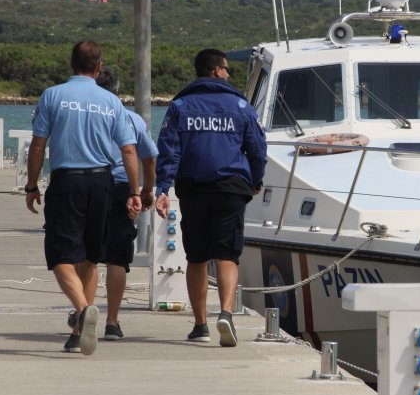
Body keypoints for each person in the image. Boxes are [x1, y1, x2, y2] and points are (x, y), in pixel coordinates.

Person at [25, 40, 142, 356]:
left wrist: (31, 184)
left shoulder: (53, 95)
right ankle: (78, 333)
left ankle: (83, 310)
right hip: (103, 182)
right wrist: (134, 191)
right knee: (90, 256)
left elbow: (38, 146)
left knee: (61, 255)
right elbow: (129, 150)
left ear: (71, 63)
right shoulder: (111, 102)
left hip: (68, 181)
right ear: (99, 67)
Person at [155, 48, 266, 347]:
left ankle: (201, 324)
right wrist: (256, 179)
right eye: (227, 69)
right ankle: (226, 313)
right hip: (230, 188)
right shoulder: (241, 106)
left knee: (197, 257)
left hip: (193, 188)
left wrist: (162, 189)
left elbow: (169, 150)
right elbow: (256, 147)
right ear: (217, 71)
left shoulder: (180, 106)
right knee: (228, 255)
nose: (229, 74)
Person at [86, 67, 157, 341]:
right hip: (122, 189)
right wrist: (145, 191)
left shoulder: (87, 118)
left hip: (91, 185)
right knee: (117, 258)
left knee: (87, 255)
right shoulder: (133, 119)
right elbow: (149, 158)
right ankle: (112, 322)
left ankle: (83, 310)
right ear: (117, 91)